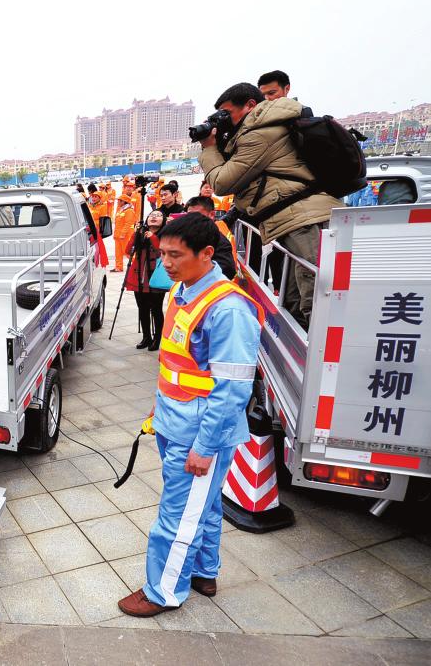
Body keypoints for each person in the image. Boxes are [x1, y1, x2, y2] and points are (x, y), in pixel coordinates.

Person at [118, 214, 263, 618]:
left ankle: (162, 592)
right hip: (176, 420)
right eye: (163, 253)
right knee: (206, 505)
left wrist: (204, 447)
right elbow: (179, 366)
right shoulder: (185, 292)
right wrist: (158, 405)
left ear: (206, 254)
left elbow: (232, 390)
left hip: (200, 434)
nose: (165, 262)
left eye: (175, 255)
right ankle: (204, 571)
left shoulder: (228, 310)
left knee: (176, 517)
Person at [198, 82, 342, 328]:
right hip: (292, 219)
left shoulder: (260, 133)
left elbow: (222, 182)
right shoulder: (260, 130)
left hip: (303, 219)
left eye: (227, 114)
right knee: (293, 301)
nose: (224, 121)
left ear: (250, 106)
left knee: (314, 302)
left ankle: (323, 362)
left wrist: (208, 148)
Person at [125, 210, 166, 350]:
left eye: (158, 215)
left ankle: (157, 338)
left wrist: (153, 237)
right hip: (139, 277)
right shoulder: (141, 233)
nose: (154, 217)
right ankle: (146, 337)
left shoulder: (166, 235)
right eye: (151, 215)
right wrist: (136, 233)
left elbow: (162, 252)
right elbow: (127, 250)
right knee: (142, 308)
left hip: (156, 277)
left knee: (156, 309)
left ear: (164, 220)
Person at [185, 197, 238, 280]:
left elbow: (228, 270)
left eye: (196, 215)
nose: (191, 219)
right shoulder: (186, 234)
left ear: (212, 215)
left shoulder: (220, 241)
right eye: (189, 215)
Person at [113, 191, 137, 273]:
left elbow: (128, 223)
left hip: (125, 236)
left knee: (127, 252)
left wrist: (123, 234)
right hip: (117, 236)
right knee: (118, 253)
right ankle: (118, 267)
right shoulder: (121, 210)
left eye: (120, 200)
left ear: (124, 202)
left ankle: (137, 265)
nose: (118, 202)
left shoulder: (129, 211)